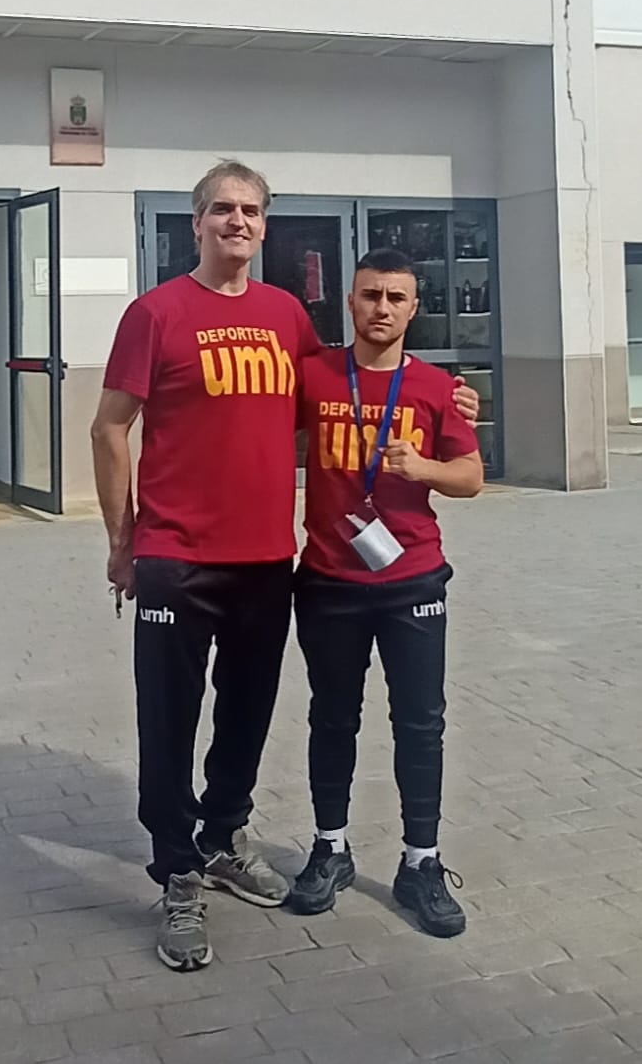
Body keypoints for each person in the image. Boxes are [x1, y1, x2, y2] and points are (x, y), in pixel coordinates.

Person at [91, 165, 477, 970]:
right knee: (167, 720)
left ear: (264, 225)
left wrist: (448, 398)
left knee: (246, 714)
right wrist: (123, 542)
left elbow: (347, 385)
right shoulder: (155, 313)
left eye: (250, 210)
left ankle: (223, 835)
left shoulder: (285, 316)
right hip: (174, 556)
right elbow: (108, 428)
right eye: (221, 209)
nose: (236, 220)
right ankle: (177, 874)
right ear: (195, 222)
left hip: (268, 558)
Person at [285, 249, 483, 937]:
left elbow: (470, 476)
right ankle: (329, 847)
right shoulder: (314, 374)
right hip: (328, 580)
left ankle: (420, 861)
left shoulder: (435, 387)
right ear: (350, 301)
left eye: (396, 298)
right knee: (332, 717)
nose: (382, 308)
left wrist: (422, 466)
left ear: (414, 308)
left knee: (420, 722)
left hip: (412, 581)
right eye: (370, 295)